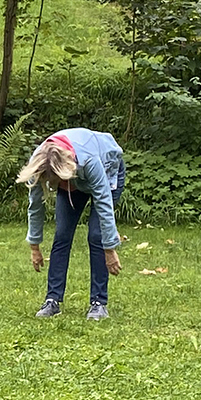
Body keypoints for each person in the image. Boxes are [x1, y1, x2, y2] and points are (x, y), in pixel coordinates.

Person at [17, 128, 125, 321]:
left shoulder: (89, 160)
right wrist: (34, 247)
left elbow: (103, 202)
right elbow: (35, 206)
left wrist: (109, 248)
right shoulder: (40, 162)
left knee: (96, 236)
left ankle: (99, 303)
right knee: (62, 234)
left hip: (107, 168)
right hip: (72, 175)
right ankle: (52, 300)